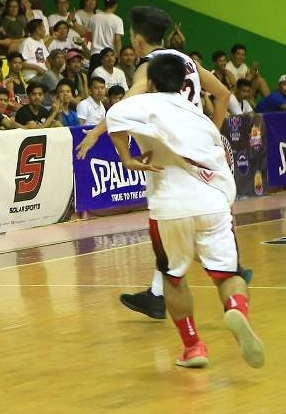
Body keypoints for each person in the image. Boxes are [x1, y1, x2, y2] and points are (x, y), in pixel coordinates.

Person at [77, 5, 237, 319]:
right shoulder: (186, 59)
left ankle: (178, 293)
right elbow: (222, 92)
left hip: (167, 153)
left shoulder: (148, 66)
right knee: (207, 218)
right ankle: (159, 292)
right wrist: (211, 132)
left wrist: (96, 132)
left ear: (137, 41)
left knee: (171, 225)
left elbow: (127, 104)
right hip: (200, 152)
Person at [106, 54, 264, 369]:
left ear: (148, 82)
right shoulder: (201, 118)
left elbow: (113, 117)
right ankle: (235, 307)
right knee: (228, 274)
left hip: (169, 207)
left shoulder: (141, 106)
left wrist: (126, 156)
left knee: (173, 276)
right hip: (213, 203)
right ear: (183, 84)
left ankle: (194, 347)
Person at [88, 0, 124, 74]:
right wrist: (119, 57)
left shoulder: (94, 17)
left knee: (93, 83)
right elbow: (117, 40)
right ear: (115, 5)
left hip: (95, 55)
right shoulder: (118, 20)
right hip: (109, 57)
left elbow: (89, 36)